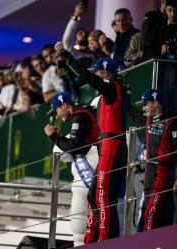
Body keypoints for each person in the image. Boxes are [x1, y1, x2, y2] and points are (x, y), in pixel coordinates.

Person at [56, 42, 130, 243]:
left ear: (106, 74)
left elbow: (86, 77)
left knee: (104, 196)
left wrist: (66, 55)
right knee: (93, 196)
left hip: (112, 143)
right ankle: (96, 238)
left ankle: (107, 240)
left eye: (97, 72)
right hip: (108, 145)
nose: (94, 76)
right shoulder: (115, 89)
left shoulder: (113, 87)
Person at [44, 92, 99, 246]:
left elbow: (74, 148)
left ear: (64, 105)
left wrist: (54, 137)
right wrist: (61, 138)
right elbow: (78, 145)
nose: (55, 116)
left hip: (96, 165)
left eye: (56, 110)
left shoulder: (80, 115)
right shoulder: (84, 111)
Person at [129, 89, 177, 231]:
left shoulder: (172, 124)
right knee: (145, 213)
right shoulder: (148, 119)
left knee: (151, 214)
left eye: (145, 104)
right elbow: (132, 113)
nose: (143, 108)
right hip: (149, 173)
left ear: (155, 103)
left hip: (163, 174)